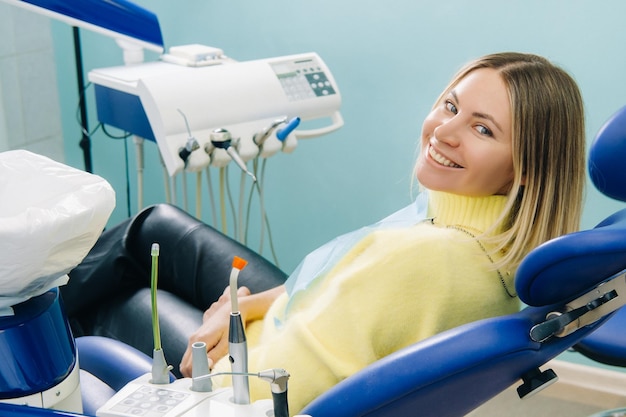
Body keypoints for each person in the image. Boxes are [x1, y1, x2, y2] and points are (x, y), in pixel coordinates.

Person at [63, 52, 586, 415]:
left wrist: (221, 352)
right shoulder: (485, 235)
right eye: (451, 107)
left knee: (117, 297)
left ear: (525, 168)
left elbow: (295, 380)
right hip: (305, 316)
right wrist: (243, 306)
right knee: (154, 227)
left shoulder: (428, 260)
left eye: (482, 128)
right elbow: (342, 290)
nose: (443, 132)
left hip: (239, 386)